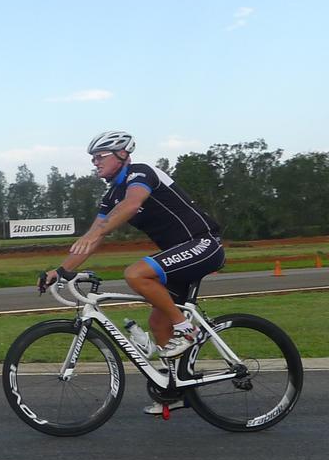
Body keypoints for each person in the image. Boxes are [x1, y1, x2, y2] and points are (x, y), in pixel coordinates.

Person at [40, 130, 225, 415]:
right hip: (177, 255)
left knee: (136, 274)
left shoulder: (140, 173)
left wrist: (98, 232)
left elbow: (132, 204)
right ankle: (176, 390)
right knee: (158, 323)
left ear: (122, 154)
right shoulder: (111, 195)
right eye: (92, 158)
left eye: (100, 156)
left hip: (202, 243)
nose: (95, 162)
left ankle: (188, 331)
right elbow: (93, 237)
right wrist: (61, 270)